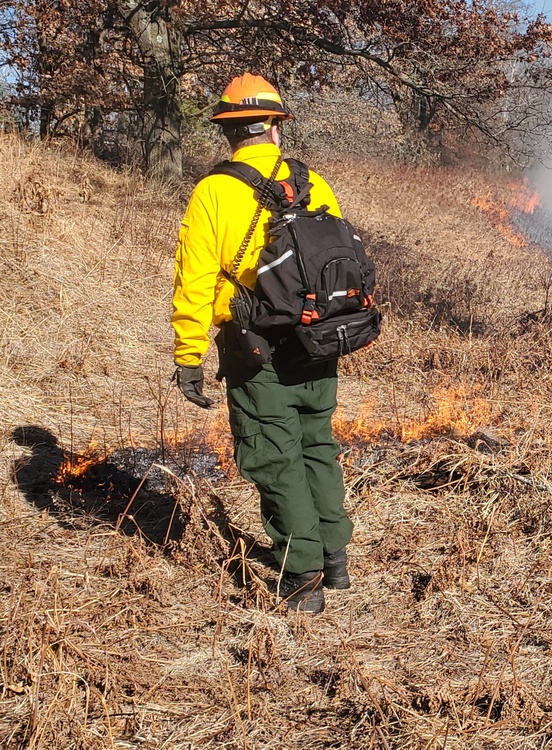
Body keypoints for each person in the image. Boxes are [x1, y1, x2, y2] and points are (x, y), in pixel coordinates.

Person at [171, 73, 353, 614]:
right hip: (318, 339)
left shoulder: (213, 192)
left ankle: (301, 579)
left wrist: (188, 355)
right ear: (275, 126)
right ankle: (335, 557)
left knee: (274, 456)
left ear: (228, 131)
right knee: (317, 443)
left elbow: (195, 280)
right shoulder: (314, 183)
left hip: (255, 348)